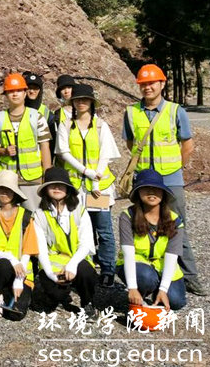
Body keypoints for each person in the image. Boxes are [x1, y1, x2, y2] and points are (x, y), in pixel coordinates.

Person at [122, 64, 204, 296]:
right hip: (143, 180)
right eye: (143, 84)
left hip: (170, 179)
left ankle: (189, 277)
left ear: (162, 83)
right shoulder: (131, 112)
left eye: (151, 83)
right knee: (142, 224)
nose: (147, 87)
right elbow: (131, 143)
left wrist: (174, 168)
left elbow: (187, 146)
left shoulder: (176, 111)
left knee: (176, 226)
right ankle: (148, 273)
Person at [56, 84, 120, 287]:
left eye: (85, 99)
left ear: (92, 102)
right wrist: (86, 172)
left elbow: (106, 154)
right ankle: (87, 267)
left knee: (104, 229)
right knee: (82, 229)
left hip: (99, 188)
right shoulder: (65, 125)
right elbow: (64, 152)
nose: (81, 102)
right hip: (76, 187)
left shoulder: (101, 125)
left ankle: (108, 269)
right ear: (72, 102)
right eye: (77, 99)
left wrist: (95, 178)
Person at [117, 169, 187, 311]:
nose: (151, 192)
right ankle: (137, 300)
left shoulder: (175, 220)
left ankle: (157, 292)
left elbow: (172, 255)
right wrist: (132, 287)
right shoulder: (127, 216)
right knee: (146, 277)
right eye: (145, 188)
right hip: (139, 267)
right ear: (138, 192)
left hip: (162, 266)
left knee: (176, 301)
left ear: (163, 193)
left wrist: (163, 289)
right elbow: (128, 253)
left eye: (156, 188)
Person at [33, 168, 98, 319]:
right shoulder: (39, 214)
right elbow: (41, 248)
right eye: (52, 185)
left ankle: (88, 303)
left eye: (61, 185)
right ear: (45, 189)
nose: (57, 188)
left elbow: (86, 243)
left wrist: (72, 265)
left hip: (77, 259)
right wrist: (50, 274)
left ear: (68, 190)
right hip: (53, 263)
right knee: (56, 292)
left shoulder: (79, 211)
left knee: (87, 273)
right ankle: (51, 295)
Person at [0, 73, 52, 211]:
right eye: (11, 91)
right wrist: (4, 151)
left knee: (34, 216)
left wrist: (47, 176)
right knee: (8, 217)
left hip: (32, 179)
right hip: (7, 179)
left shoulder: (36, 117)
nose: (15, 94)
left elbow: (45, 147)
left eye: (18, 90)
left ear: (25, 93)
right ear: (6, 95)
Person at [0, 170, 37, 320]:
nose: (4, 192)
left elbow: (28, 250)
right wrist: (12, 259)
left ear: (15, 193)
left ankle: (10, 292)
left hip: (22, 271)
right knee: (4, 264)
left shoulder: (26, 216)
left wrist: (19, 280)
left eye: (8, 189)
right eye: (0, 188)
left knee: (15, 315)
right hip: (0, 268)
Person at [51, 74, 77, 162]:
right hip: (64, 161)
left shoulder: (86, 111)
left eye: (69, 87)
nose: (66, 91)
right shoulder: (57, 114)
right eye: (63, 89)